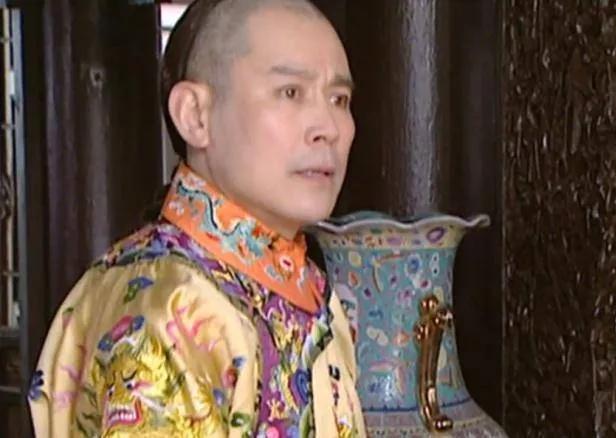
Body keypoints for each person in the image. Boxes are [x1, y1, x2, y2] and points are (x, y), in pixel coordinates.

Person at [28, 0, 364, 436]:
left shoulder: (305, 287)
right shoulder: (171, 306)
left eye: (339, 99)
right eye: (290, 92)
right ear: (195, 115)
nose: (329, 128)